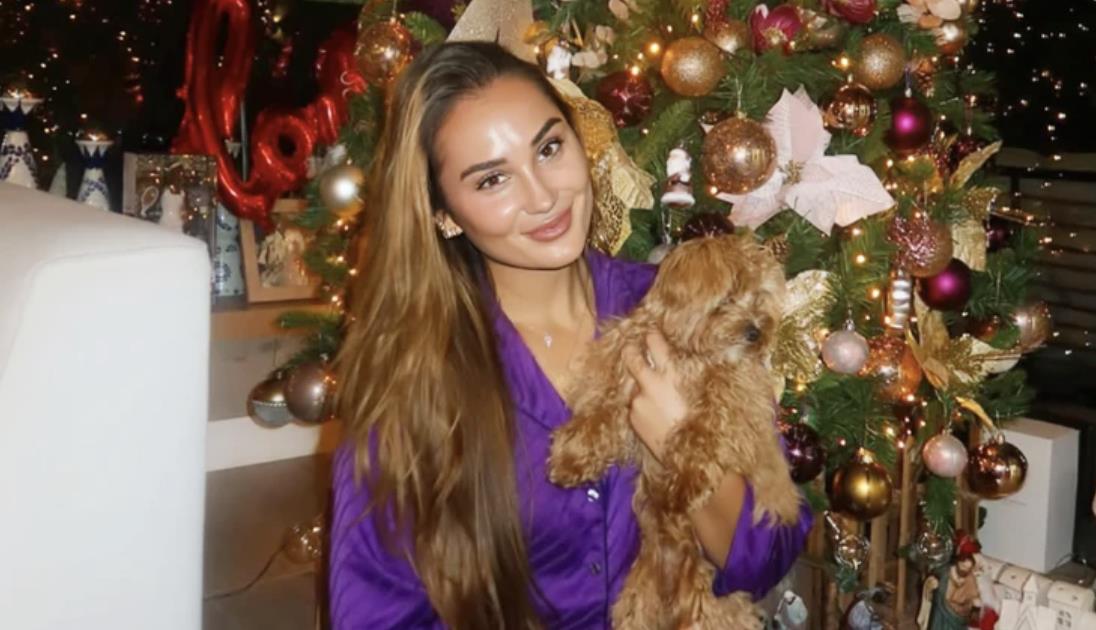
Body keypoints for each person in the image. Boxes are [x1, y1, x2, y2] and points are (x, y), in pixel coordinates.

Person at [329, 41, 813, 629]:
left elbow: (770, 550)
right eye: (492, 180)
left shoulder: (685, 309)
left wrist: (680, 441)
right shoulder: (411, 378)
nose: (543, 196)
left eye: (549, 148)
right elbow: (378, 611)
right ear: (444, 214)